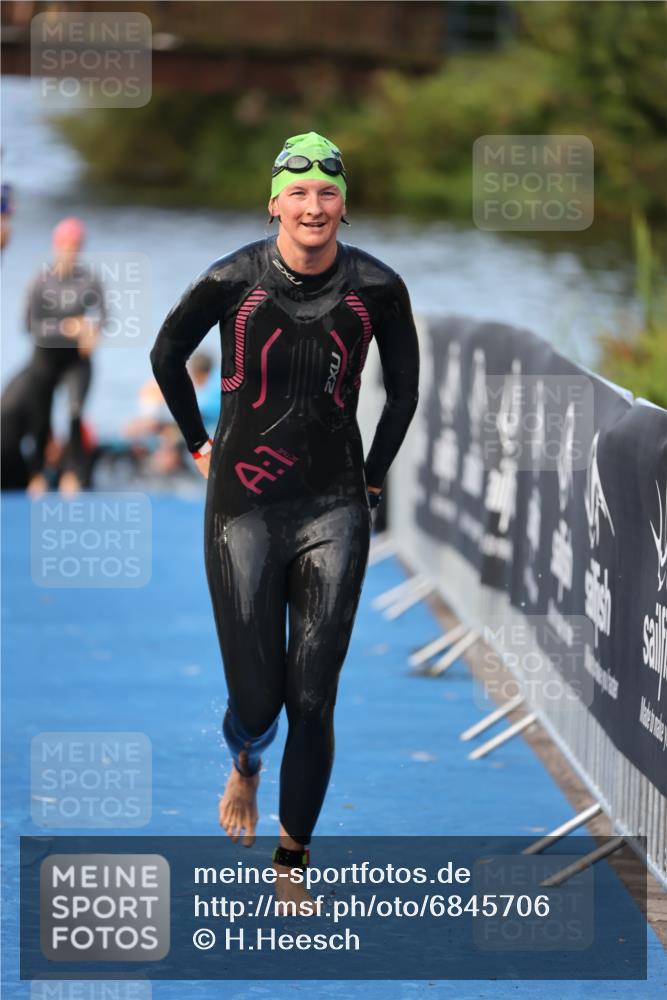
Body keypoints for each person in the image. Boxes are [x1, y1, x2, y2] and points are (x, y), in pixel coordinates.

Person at [150, 131, 419, 910]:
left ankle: (293, 855)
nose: (313, 207)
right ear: (274, 202)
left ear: (343, 203)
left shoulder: (378, 287)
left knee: (313, 696)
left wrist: (369, 484)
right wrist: (197, 442)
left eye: (327, 193)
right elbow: (167, 355)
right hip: (244, 508)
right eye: (298, 193)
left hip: (334, 506)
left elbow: (401, 394)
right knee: (261, 702)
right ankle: (243, 762)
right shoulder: (232, 280)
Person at [22, 216, 105, 494]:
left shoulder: (89, 280)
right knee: (40, 416)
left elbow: (104, 317)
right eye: (67, 244)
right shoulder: (41, 281)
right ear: (57, 245)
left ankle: (73, 473)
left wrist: (93, 330)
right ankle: (37, 474)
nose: (72, 250)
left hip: (76, 362)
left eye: (77, 245)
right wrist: (69, 327)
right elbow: (30, 325)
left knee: (74, 412)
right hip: (45, 357)